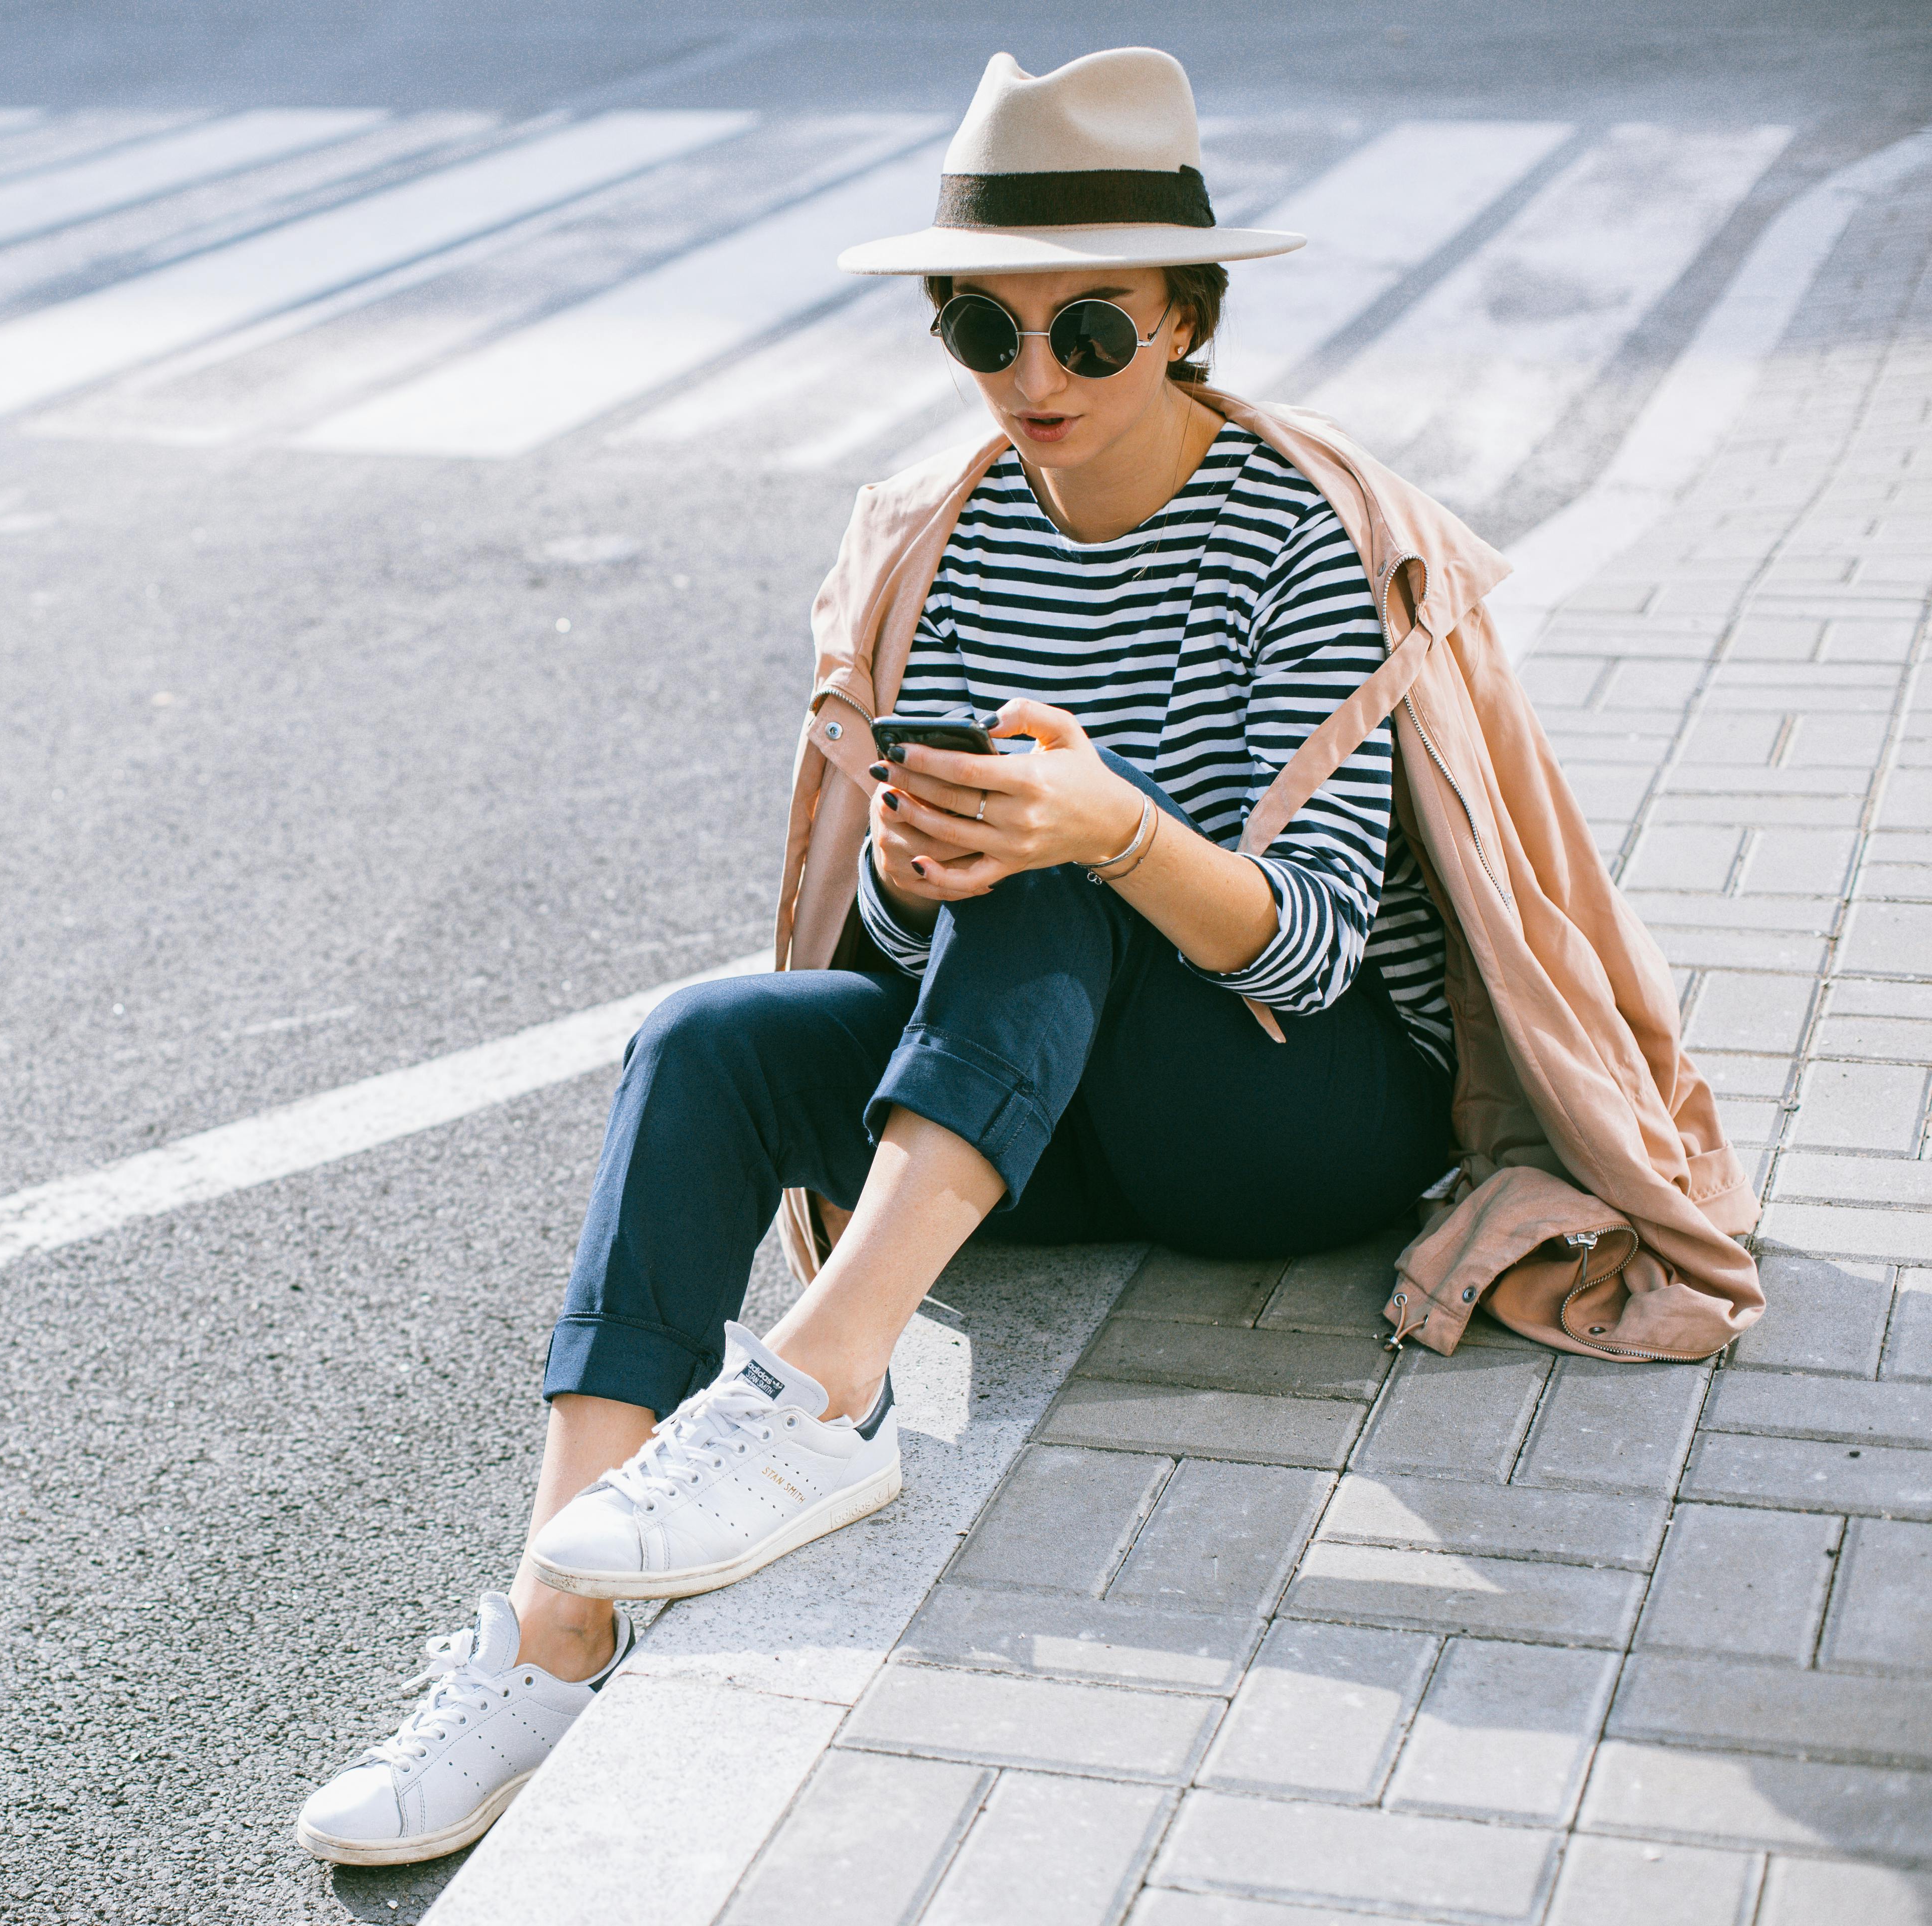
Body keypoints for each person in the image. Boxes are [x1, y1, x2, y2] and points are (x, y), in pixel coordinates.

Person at [294, 44, 1593, 1868]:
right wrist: (915, 875)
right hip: (1042, 1123)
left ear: (1190, 323)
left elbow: (1309, 958)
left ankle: (818, 1396)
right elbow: (913, 938)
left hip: (1283, 1123)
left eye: (1092, 332)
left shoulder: (1302, 539)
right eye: (986, 329)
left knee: (1064, 847)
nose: (1033, 379)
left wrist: (1110, 831)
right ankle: (547, 1637)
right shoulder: (948, 531)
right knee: (710, 1039)